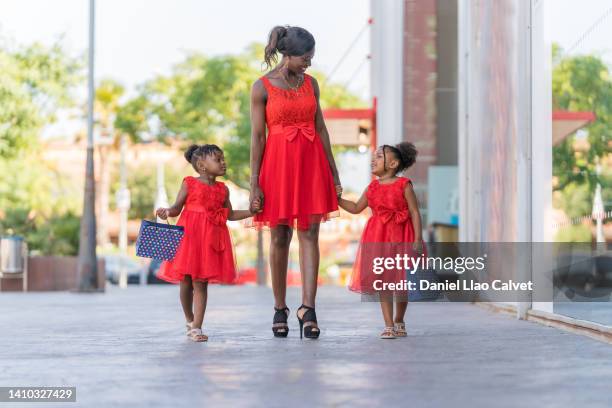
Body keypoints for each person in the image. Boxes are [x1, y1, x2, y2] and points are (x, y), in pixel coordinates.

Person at [249, 25, 342, 339]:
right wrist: (254, 183)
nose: (309, 63)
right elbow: (257, 137)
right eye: (306, 57)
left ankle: (308, 308)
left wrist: (334, 172)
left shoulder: (311, 85)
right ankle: (280, 307)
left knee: (310, 232)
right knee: (279, 236)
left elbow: (322, 129)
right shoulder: (261, 88)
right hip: (277, 166)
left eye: (311, 57)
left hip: (311, 163)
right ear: (287, 54)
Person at [156, 144, 261, 342]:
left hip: (210, 240)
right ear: (202, 166)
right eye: (218, 160)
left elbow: (229, 215)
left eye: (223, 159)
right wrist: (167, 212)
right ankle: (189, 319)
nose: (223, 163)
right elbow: (176, 208)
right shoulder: (189, 183)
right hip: (189, 238)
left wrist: (252, 212)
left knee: (201, 283)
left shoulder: (223, 190)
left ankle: (197, 326)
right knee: (186, 282)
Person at [337, 143, 424, 339]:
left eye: (379, 156)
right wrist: (338, 199)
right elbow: (356, 207)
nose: (373, 160)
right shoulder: (372, 187)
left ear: (393, 163)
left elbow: (414, 212)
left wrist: (418, 238)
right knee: (384, 281)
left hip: (402, 237)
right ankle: (389, 324)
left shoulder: (404, 185)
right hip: (378, 238)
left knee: (401, 282)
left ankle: (399, 318)